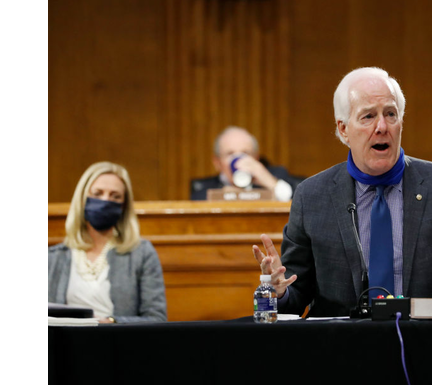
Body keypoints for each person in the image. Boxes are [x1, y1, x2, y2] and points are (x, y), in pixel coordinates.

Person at [252, 67, 432, 317]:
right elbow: (294, 297)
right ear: (343, 129)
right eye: (368, 116)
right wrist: (278, 291)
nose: (382, 127)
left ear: (401, 122)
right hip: (341, 345)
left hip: (425, 341)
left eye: (390, 114)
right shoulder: (312, 196)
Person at [48, 161, 167, 323]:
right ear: (82, 199)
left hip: (117, 337)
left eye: (115, 196)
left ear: (123, 206)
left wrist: (111, 322)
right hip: (66, 338)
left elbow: (157, 318)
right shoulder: (53, 257)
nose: (105, 201)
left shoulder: (141, 253)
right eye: (97, 194)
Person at [190, 126, 304, 201]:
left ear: (256, 158)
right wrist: (223, 196)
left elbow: (301, 205)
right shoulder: (204, 189)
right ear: (217, 162)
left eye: (245, 153)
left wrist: (270, 182)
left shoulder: (277, 176)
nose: (239, 160)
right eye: (230, 154)